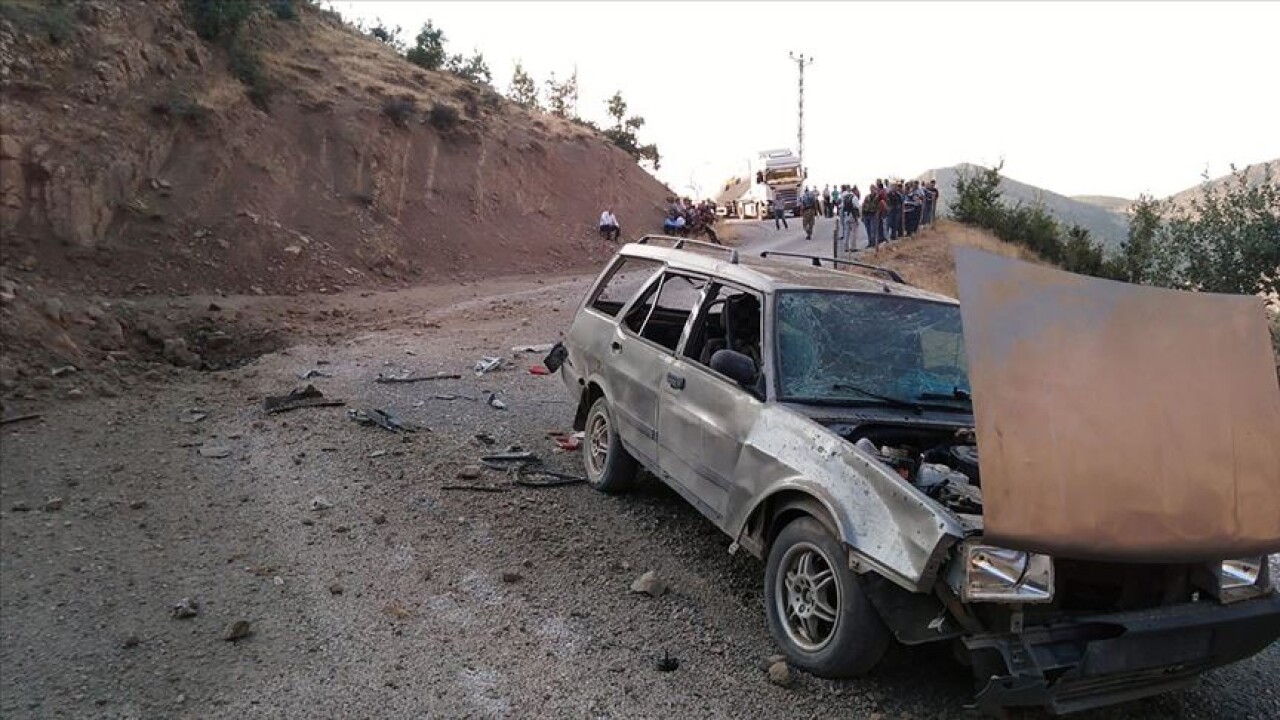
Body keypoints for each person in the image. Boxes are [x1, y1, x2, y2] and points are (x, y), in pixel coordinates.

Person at [840, 184, 861, 253]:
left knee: (847, 232)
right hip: (853, 215)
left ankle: (846, 247)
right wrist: (857, 217)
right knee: (854, 232)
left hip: (846, 215)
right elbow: (857, 207)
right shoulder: (854, 198)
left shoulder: (845, 197)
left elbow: (843, 207)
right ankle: (853, 247)